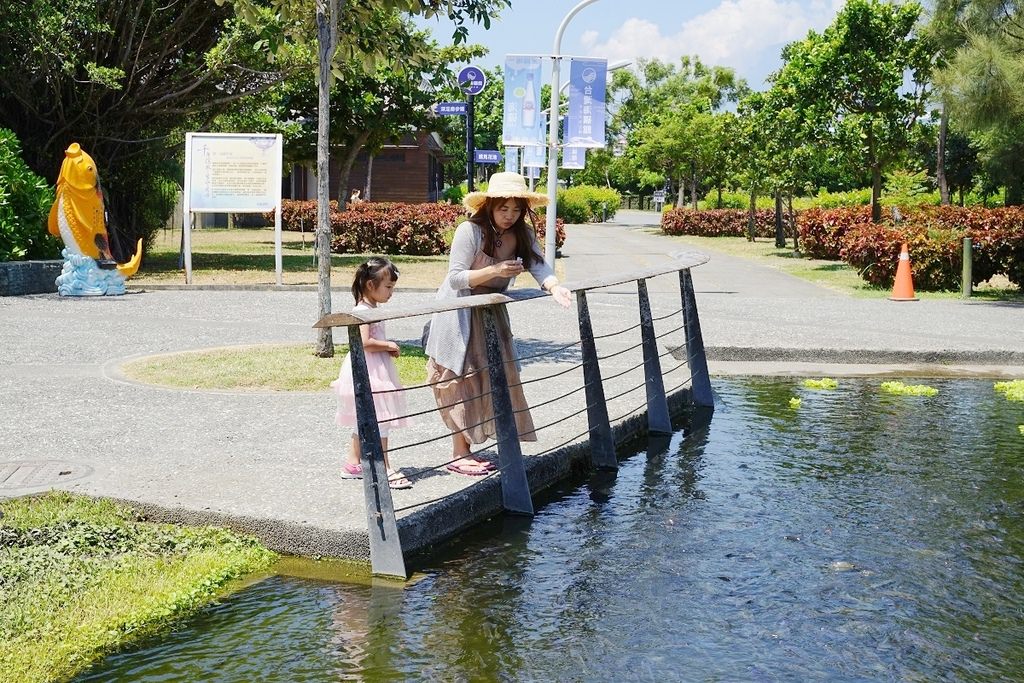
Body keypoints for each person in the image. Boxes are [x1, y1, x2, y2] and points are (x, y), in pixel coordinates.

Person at [425, 172, 572, 476]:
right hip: (459, 313)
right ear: (489, 206)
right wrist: (495, 269)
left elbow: (539, 265)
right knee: (457, 378)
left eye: (516, 209)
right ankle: (458, 452)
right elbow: (455, 278)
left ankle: (483, 444)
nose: (509, 215)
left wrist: (555, 286)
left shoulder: (523, 234)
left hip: (491, 314)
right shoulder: (470, 231)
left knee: (493, 378)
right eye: (503, 208)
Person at [331, 256, 412, 489]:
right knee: (381, 418)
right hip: (370, 369)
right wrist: (388, 345)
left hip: (373, 366)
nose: (391, 292)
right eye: (388, 287)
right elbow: (365, 341)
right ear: (370, 285)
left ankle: (354, 463)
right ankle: (383, 466)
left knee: (366, 418)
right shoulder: (362, 311)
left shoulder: (369, 308)